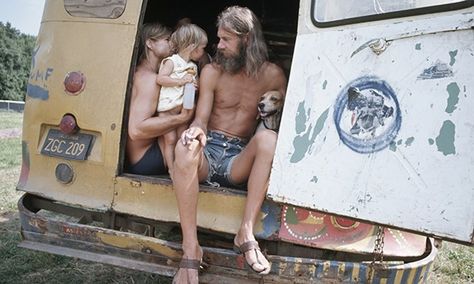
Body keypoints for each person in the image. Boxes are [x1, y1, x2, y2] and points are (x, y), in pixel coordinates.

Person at [171, 6, 287, 284]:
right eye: (219, 38)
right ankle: (191, 248)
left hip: (239, 160)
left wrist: (278, 102)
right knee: (184, 147)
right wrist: (195, 132)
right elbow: (200, 119)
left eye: (226, 39)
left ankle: (245, 231)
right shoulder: (212, 72)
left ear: (246, 39)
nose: (219, 45)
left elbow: (284, 120)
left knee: (269, 140)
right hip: (208, 153)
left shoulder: (273, 76)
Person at [126, 22, 194, 175]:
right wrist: (182, 118)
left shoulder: (141, 72)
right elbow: (136, 130)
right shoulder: (150, 79)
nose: (173, 43)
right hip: (147, 158)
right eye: (167, 39)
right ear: (150, 43)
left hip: (140, 157)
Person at [156, 24, 207, 178]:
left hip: (183, 108)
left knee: (181, 139)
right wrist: (181, 81)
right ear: (192, 46)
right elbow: (161, 79)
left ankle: (180, 168)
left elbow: (194, 82)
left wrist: (195, 85)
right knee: (170, 139)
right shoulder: (171, 61)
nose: (204, 52)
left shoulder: (192, 66)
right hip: (167, 109)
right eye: (202, 48)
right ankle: (171, 169)